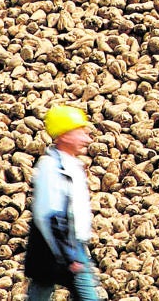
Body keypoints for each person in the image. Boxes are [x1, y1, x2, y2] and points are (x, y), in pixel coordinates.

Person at [24, 105, 103, 301]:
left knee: (40, 292)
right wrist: (70, 256)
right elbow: (51, 215)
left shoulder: (72, 165)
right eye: (81, 133)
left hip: (66, 245)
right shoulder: (51, 167)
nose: (87, 139)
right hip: (61, 246)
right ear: (65, 135)